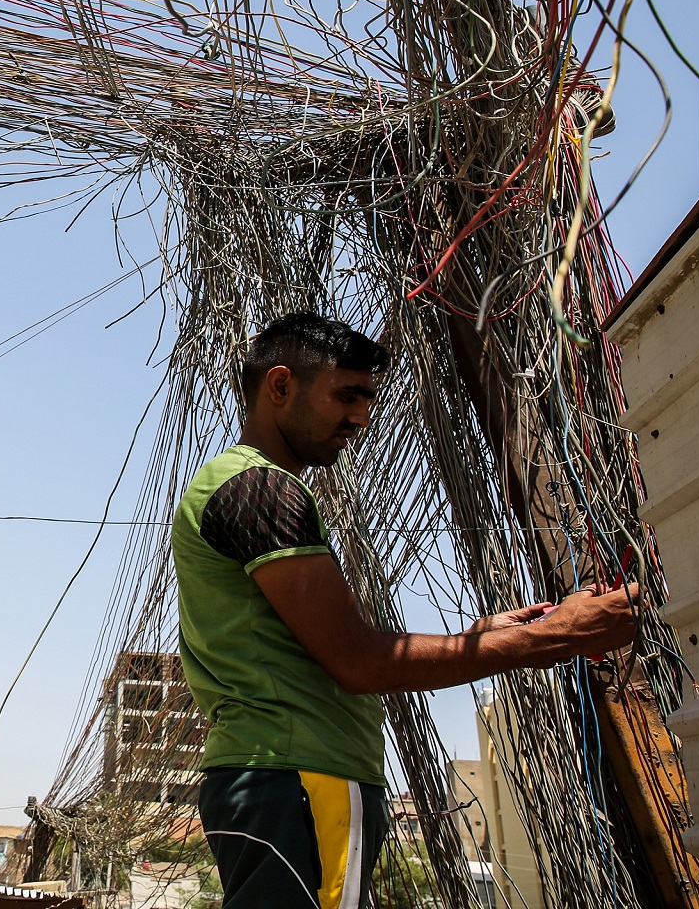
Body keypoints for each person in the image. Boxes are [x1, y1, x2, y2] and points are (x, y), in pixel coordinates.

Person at [173, 311, 640, 908]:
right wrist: (554, 636)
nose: (361, 419)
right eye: (347, 395)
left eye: (369, 400)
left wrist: (477, 636)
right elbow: (361, 663)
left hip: (284, 777)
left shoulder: (242, 486)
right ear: (281, 386)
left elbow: (339, 651)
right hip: (298, 776)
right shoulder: (260, 490)